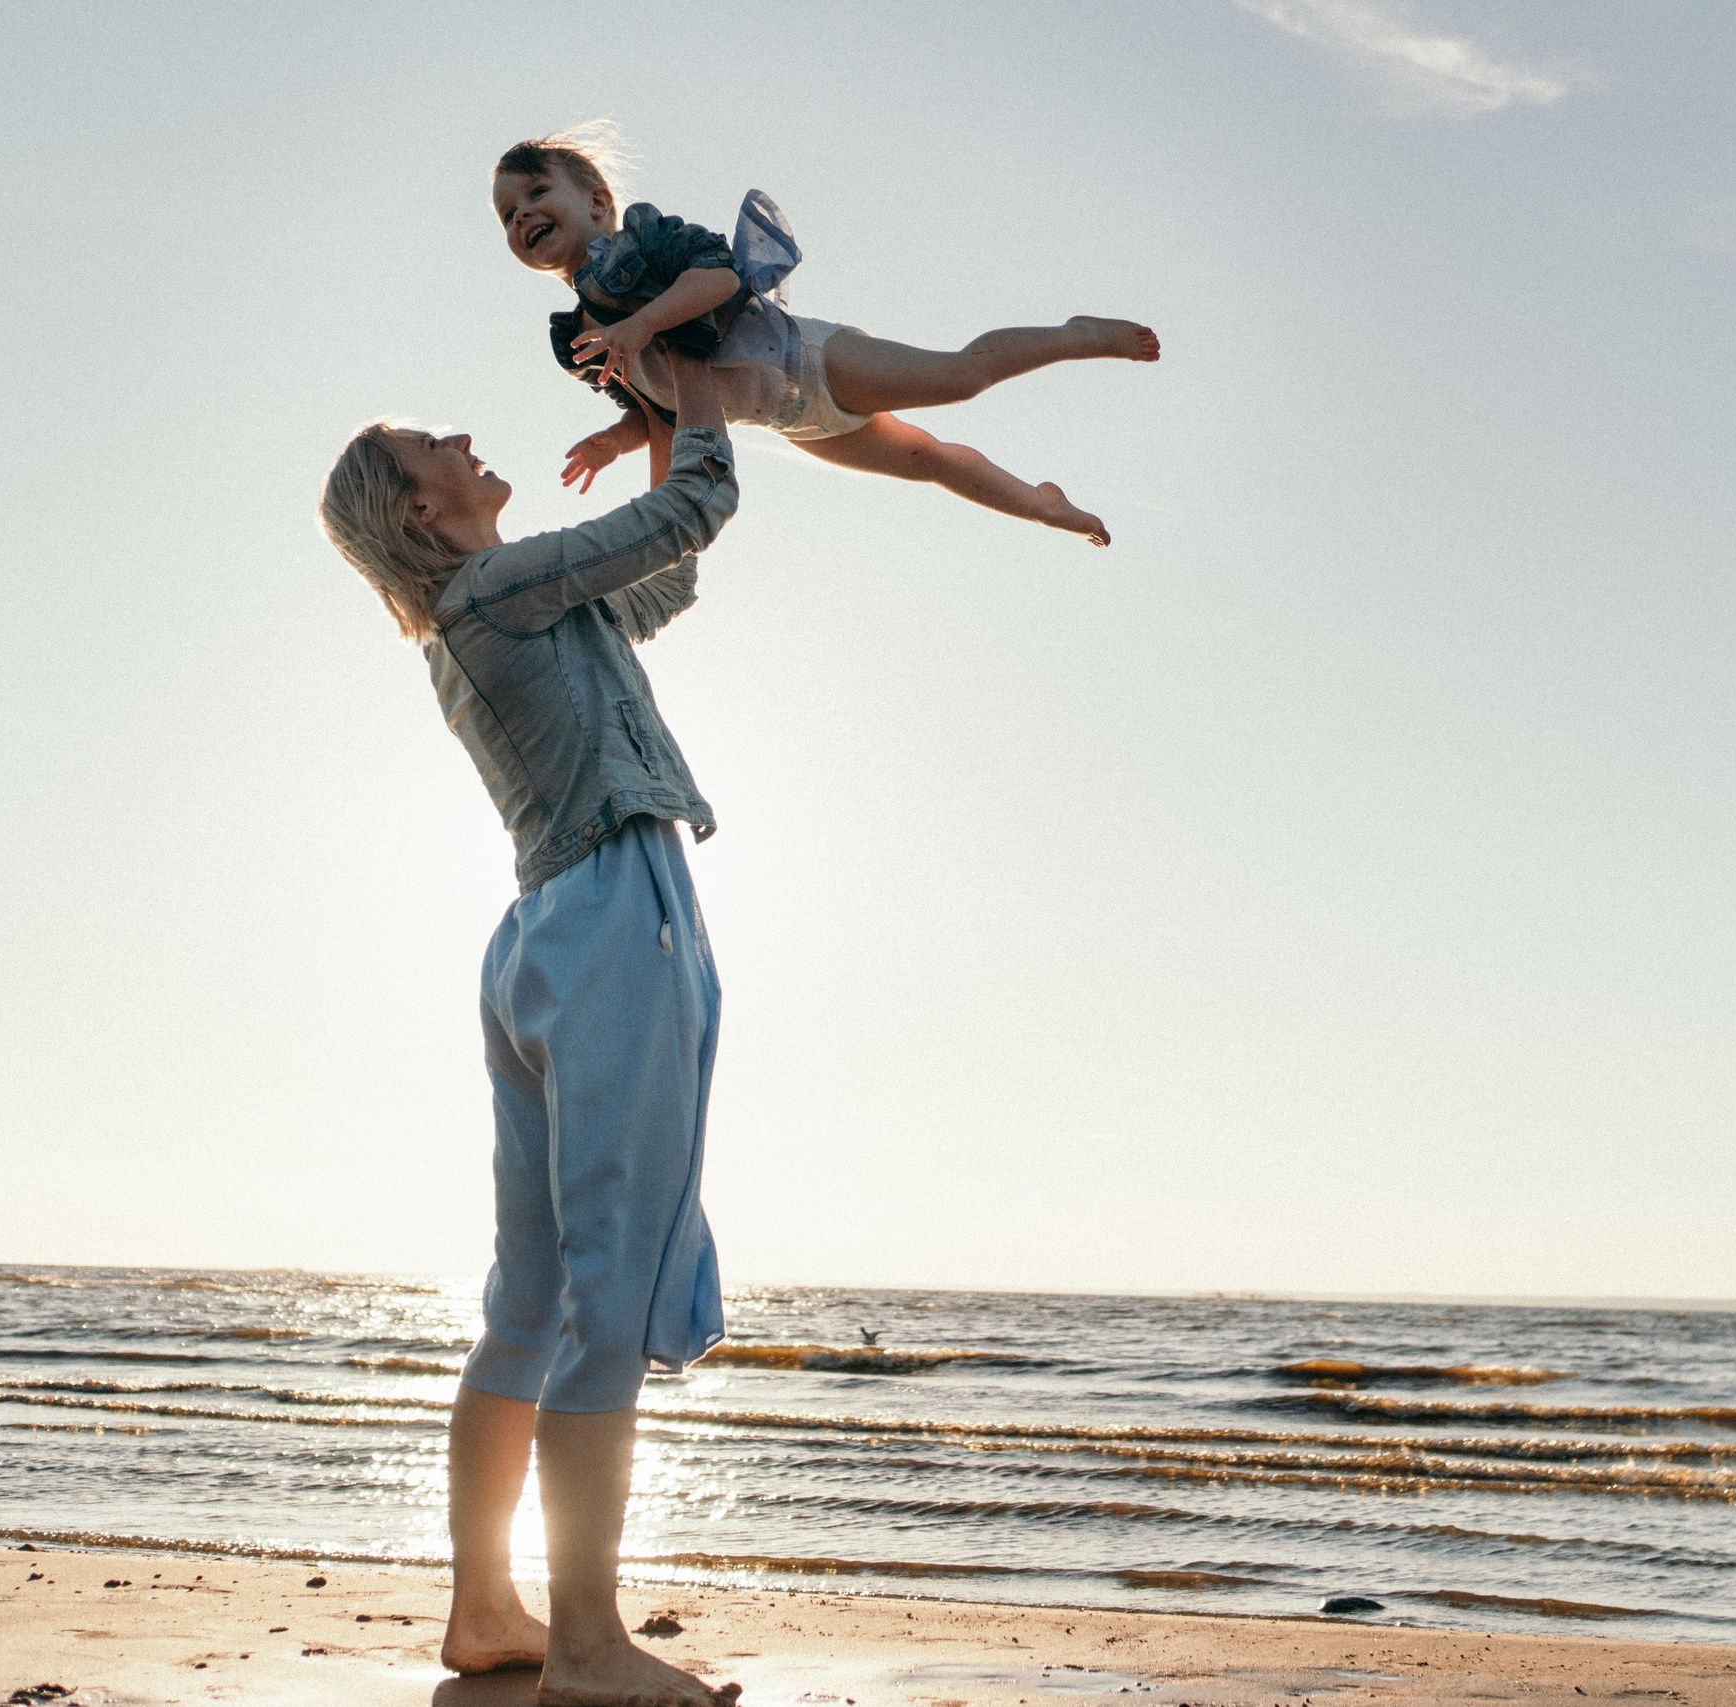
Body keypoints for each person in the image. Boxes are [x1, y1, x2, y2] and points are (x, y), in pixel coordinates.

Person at [317, 348, 741, 1707]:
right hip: (614, 913)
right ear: (423, 514)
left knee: (529, 1299)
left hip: (539, 937)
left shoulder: (504, 606)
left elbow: (664, 575)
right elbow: (691, 517)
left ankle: (486, 1611)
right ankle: (589, 1645)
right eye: (434, 440)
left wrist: (659, 422)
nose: (464, 433)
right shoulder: (497, 587)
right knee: (602, 1286)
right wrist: (715, 394)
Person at [493, 124, 1159, 545]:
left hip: (807, 357)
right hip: (795, 420)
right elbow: (654, 406)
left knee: (958, 378)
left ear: (597, 202)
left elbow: (720, 278)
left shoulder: (644, 238)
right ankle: (1042, 506)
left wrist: (640, 323)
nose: (522, 215)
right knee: (927, 460)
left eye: (535, 193)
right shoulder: (575, 337)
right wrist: (616, 439)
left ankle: (1077, 334)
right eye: (507, 215)